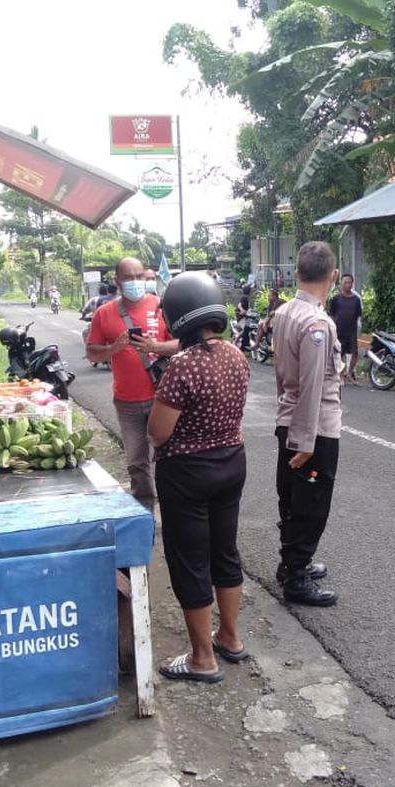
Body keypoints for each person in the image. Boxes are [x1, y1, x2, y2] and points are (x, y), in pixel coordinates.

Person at [147, 272, 251, 683]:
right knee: (224, 552)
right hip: (231, 463)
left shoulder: (181, 367)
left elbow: (158, 431)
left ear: (177, 317)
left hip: (188, 473)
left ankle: (202, 659)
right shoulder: (236, 355)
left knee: (190, 562)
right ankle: (230, 637)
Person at [271, 241, 342, 606]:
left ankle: (291, 563)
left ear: (297, 274)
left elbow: (284, 377)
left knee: (293, 496)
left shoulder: (285, 313)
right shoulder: (316, 323)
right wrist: (306, 440)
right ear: (333, 276)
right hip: (314, 429)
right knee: (312, 503)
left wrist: (291, 428)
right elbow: (313, 384)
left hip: (290, 420)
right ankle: (296, 576)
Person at [86, 257, 181, 509]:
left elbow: (183, 345)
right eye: (129, 277)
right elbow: (92, 353)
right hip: (127, 401)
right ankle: (146, 512)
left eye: (140, 276)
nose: (135, 282)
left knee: (169, 456)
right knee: (137, 462)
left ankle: (173, 507)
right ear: (117, 281)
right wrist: (113, 348)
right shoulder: (104, 314)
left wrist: (155, 346)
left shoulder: (162, 306)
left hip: (163, 398)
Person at [328, 273, 363, 383]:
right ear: (341, 284)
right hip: (339, 331)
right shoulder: (336, 299)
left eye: (350, 282)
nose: (348, 285)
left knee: (355, 353)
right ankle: (341, 375)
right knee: (339, 354)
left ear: (352, 284)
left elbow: (358, 314)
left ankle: (349, 373)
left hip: (352, 330)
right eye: (345, 282)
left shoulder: (356, 300)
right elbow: (332, 314)